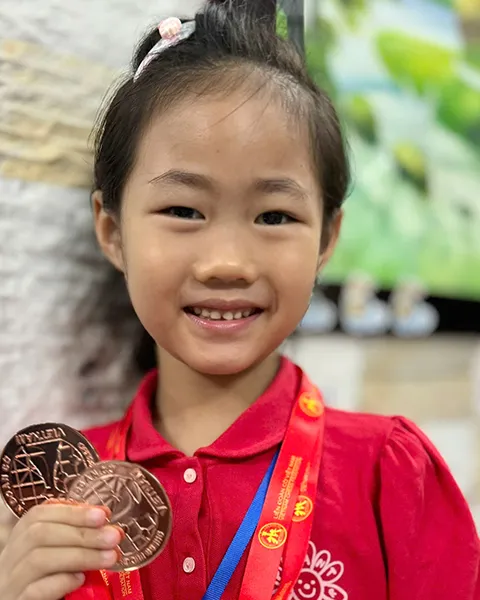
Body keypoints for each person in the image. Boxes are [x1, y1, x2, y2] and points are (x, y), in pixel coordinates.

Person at [0, 1, 478, 599]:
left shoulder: (389, 472)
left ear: (326, 238)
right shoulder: (61, 493)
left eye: (274, 216)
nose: (227, 263)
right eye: (183, 210)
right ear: (113, 230)